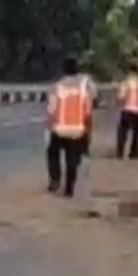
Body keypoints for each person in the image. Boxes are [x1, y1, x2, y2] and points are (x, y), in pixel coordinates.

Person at [46, 57, 93, 198]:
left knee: (52, 152)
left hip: (59, 129)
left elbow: (51, 111)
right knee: (72, 158)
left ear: (63, 70)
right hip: (77, 129)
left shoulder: (57, 87)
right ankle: (69, 189)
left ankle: (55, 179)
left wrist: (49, 128)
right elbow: (87, 112)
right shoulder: (83, 89)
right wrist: (87, 132)